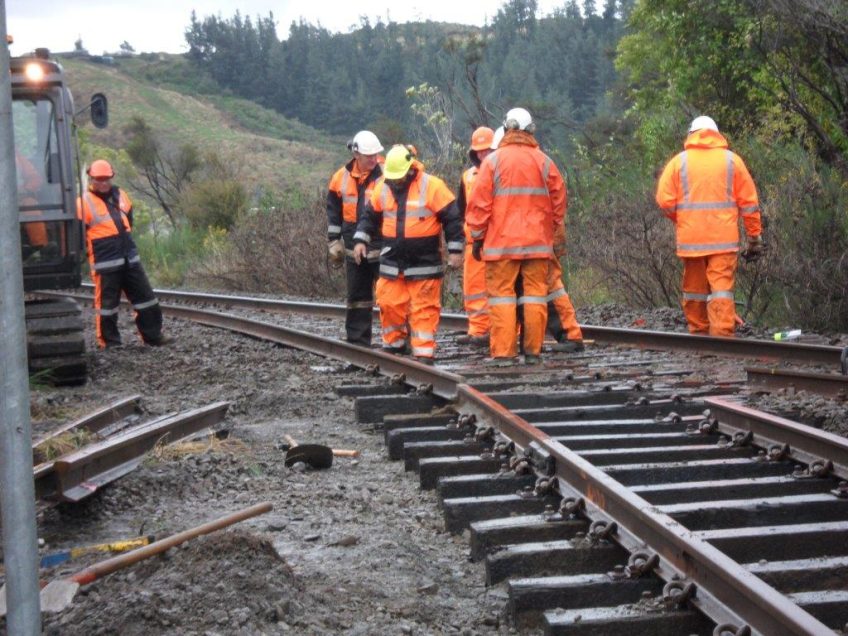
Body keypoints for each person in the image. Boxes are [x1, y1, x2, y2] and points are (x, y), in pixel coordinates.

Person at [466, 108, 565, 366]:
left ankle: (503, 353)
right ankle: (533, 352)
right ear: (530, 129)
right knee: (534, 297)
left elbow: (479, 204)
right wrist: (551, 232)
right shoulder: (544, 161)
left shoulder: (493, 162)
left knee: (502, 298)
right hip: (537, 246)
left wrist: (477, 238)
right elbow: (559, 201)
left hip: (501, 245)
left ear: (507, 129)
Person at [352, 145, 464, 364]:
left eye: (399, 177)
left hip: (424, 262)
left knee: (423, 308)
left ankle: (423, 353)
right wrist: (360, 240)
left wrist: (456, 250)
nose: (396, 182)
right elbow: (369, 216)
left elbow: (452, 219)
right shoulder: (383, 187)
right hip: (392, 260)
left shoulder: (432, 186)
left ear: (411, 168)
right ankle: (394, 345)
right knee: (388, 302)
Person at [656, 115, 763, 337]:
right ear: (716, 134)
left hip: (691, 240)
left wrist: (683, 220)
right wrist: (754, 237)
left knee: (694, 291)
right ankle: (722, 339)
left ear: (691, 134)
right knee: (721, 291)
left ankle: (699, 336)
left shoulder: (679, 162)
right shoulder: (732, 160)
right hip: (723, 241)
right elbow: (750, 204)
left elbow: (664, 201)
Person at [77, 159, 169, 349]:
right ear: (91, 178)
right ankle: (110, 344)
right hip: (105, 264)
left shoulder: (121, 195)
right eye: (98, 179)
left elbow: (129, 221)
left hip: (130, 259)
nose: (103, 183)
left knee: (146, 299)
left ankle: (153, 336)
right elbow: (78, 236)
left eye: (106, 179)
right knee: (107, 307)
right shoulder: (83, 202)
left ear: (112, 177)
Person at [326, 130, 385, 346]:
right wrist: (333, 240)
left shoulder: (386, 176)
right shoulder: (339, 178)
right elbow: (333, 211)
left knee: (390, 297)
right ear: (356, 155)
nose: (374, 159)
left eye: (376, 155)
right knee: (358, 298)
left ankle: (398, 342)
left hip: (381, 244)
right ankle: (358, 344)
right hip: (353, 248)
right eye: (369, 156)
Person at [455, 126, 494, 347]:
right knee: (473, 290)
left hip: (497, 242)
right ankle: (478, 331)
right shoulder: (467, 177)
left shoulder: (501, 171)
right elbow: (461, 210)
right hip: (473, 244)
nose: (483, 154)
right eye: (479, 151)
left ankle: (506, 331)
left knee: (502, 290)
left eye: (487, 150)